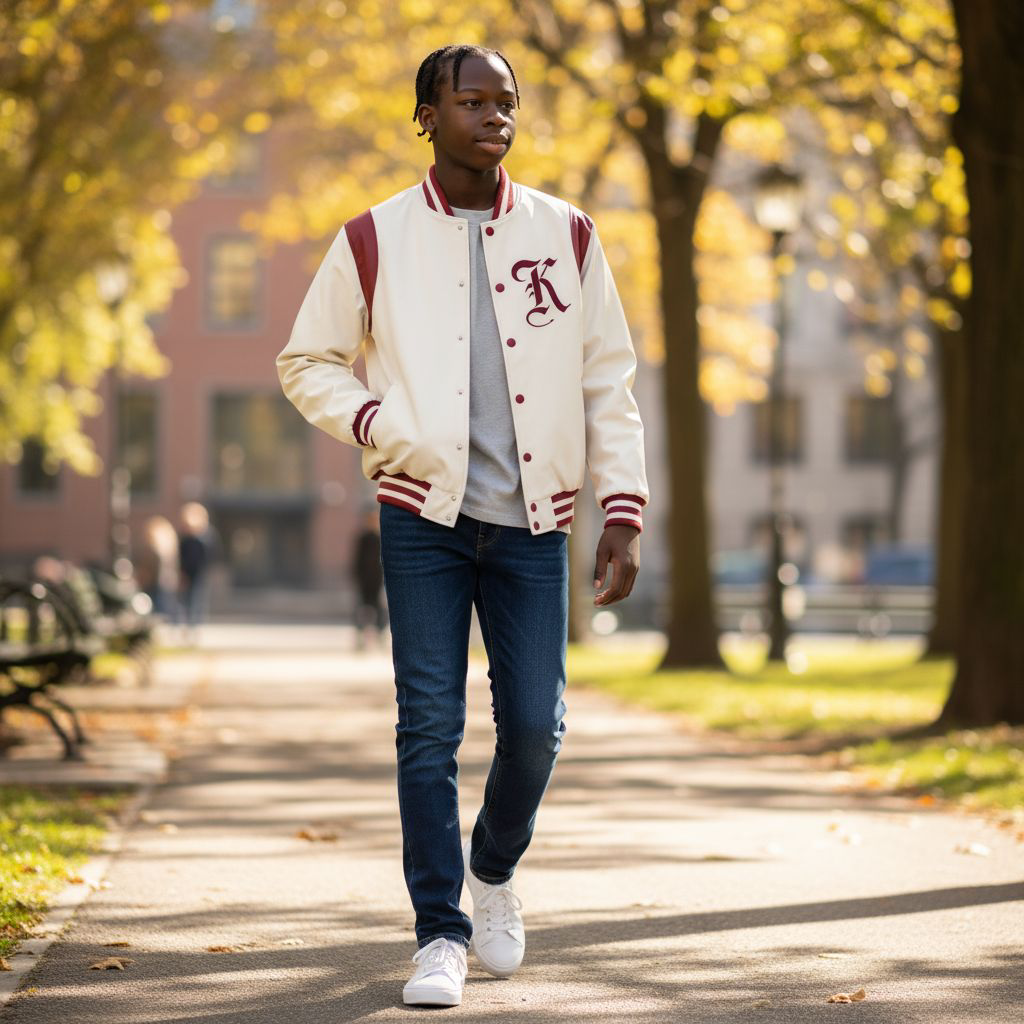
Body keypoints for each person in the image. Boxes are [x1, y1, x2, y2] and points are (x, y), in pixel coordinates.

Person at [277, 42, 648, 1009]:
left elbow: (607, 377)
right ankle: (438, 934)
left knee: (536, 728)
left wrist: (622, 511)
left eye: (507, 102)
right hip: (422, 518)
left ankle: (492, 868)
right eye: (474, 101)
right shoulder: (374, 236)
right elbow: (306, 359)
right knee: (427, 729)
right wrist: (378, 423)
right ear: (428, 116)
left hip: (533, 523)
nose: (496, 117)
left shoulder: (567, 234)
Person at [351, 503, 389, 650]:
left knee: (379, 609)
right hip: (364, 581)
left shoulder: (382, 537)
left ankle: (380, 636)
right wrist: (357, 577)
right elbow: (357, 560)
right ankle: (360, 638)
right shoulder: (363, 538)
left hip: (379, 581)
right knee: (361, 609)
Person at [176, 501, 214, 644]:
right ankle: (187, 628)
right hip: (187, 573)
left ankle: (195, 628)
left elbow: (209, 555)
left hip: (199, 574)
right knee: (186, 602)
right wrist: (181, 573)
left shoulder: (205, 537)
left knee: (197, 601)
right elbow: (181, 557)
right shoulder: (185, 538)